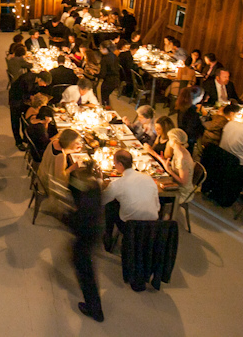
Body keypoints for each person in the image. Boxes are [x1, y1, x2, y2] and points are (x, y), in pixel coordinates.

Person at [101, 149, 160, 251]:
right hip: (152, 224)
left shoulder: (117, 184)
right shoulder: (148, 179)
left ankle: (108, 237)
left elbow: (102, 201)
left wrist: (102, 187)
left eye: (114, 163)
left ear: (120, 164)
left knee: (110, 205)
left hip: (131, 226)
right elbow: (157, 206)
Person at [68, 162, 105, 323]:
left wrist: (65, 216)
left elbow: (78, 223)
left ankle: (94, 309)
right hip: (93, 233)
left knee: (86, 273)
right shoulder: (95, 189)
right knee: (86, 270)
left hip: (86, 238)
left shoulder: (86, 201)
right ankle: (93, 305)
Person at [9, 70, 52, 151]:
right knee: (15, 121)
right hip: (15, 99)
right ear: (40, 79)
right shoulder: (26, 80)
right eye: (44, 83)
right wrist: (31, 97)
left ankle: (26, 137)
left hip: (24, 99)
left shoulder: (35, 80)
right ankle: (18, 141)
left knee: (25, 117)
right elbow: (20, 94)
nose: (44, 85)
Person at [37, 129, 83, 197]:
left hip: (42, 173)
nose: (78, 144)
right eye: (76, 142)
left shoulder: (55, 141)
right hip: (49, 184)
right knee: (78, 185)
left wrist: (72, 150)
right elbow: (61, 177)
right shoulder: (61, 156)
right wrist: (73, 167)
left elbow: (61, 152)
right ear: (69, 143)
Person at [176, 87, 205, 152]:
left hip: (182, 136)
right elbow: (193, 128)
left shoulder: (182, 106)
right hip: (189, 140)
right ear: (197, 97)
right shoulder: (192, 112)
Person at [97, 41, 120, 108]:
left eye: (101, 48)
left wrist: (95, 74)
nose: (100, 50)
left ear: (105, 49)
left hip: (108, 81)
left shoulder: (105, 59)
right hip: (116, 79)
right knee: (107, 97)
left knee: (104, 98)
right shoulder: (114, 56)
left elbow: (103, 74)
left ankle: (106, 110)